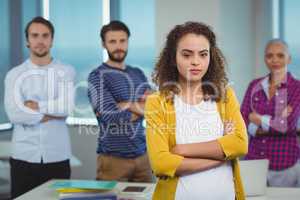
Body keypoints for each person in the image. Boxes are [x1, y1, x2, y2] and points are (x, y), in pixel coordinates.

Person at [144, 21, 248, 200]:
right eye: (186, 55)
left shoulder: (225, 95)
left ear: (210, 57)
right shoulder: (157, 102)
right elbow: (161, 163)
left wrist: (182, 150)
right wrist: (222, 155)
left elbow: (240, 144)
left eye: (203, 54)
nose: (195, 62)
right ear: (173, 58)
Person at [4, 16, 75, 198]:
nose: (40, 41)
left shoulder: (66, 71)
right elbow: (15, 114)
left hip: (57, 156)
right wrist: (52, 114)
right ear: (27, 40)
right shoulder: (14, 75)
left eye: (45, 35)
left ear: (52, 39)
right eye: (35, 36)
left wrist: (36, 106)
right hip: (23, 157)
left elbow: (66, 107)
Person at [87, 20, 152, 182]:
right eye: (112, 41)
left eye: (122, 41)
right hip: (113, 160)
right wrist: (141, 108)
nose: (118, 46)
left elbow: (155, 108)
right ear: (104, 44)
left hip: (143, 156)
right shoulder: (97, 76)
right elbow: (110, 118)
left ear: (128, 42)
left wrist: (126, 105)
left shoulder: (137, 73)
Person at [241, 39, 300, 187]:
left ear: (289, 58)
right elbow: (242, 118)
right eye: (270, 55)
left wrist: (258, 120)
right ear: (265, 58)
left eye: (280, 55)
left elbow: (286, 125)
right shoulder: (255, 85)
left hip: (283, 162)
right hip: (254, 160)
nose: (275, 60)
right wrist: (261, 127)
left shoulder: (296, 87)